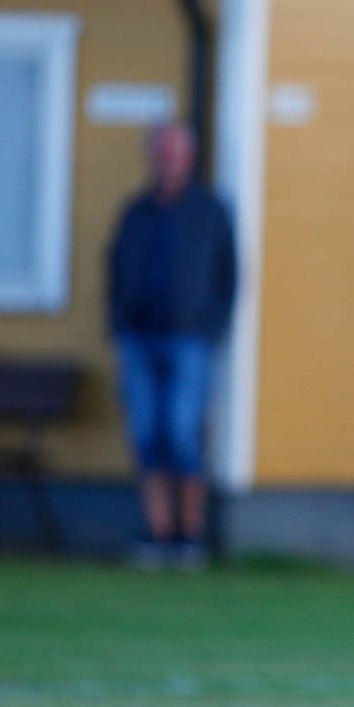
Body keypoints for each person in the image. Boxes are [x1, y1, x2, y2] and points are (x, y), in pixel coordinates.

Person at [106, 123, 236, 570]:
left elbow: (229, 276)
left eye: (177, 153)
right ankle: (155, 530)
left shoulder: (209, 212)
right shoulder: (137, 211)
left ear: (191, 158)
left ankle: (190, 534)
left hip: (189, 340)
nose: (169, 161)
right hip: (138, 337)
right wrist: (118, 321)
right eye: (162, 153)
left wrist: (210, 328)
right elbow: (116, 267)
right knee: (146, 434)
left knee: (182, 433)